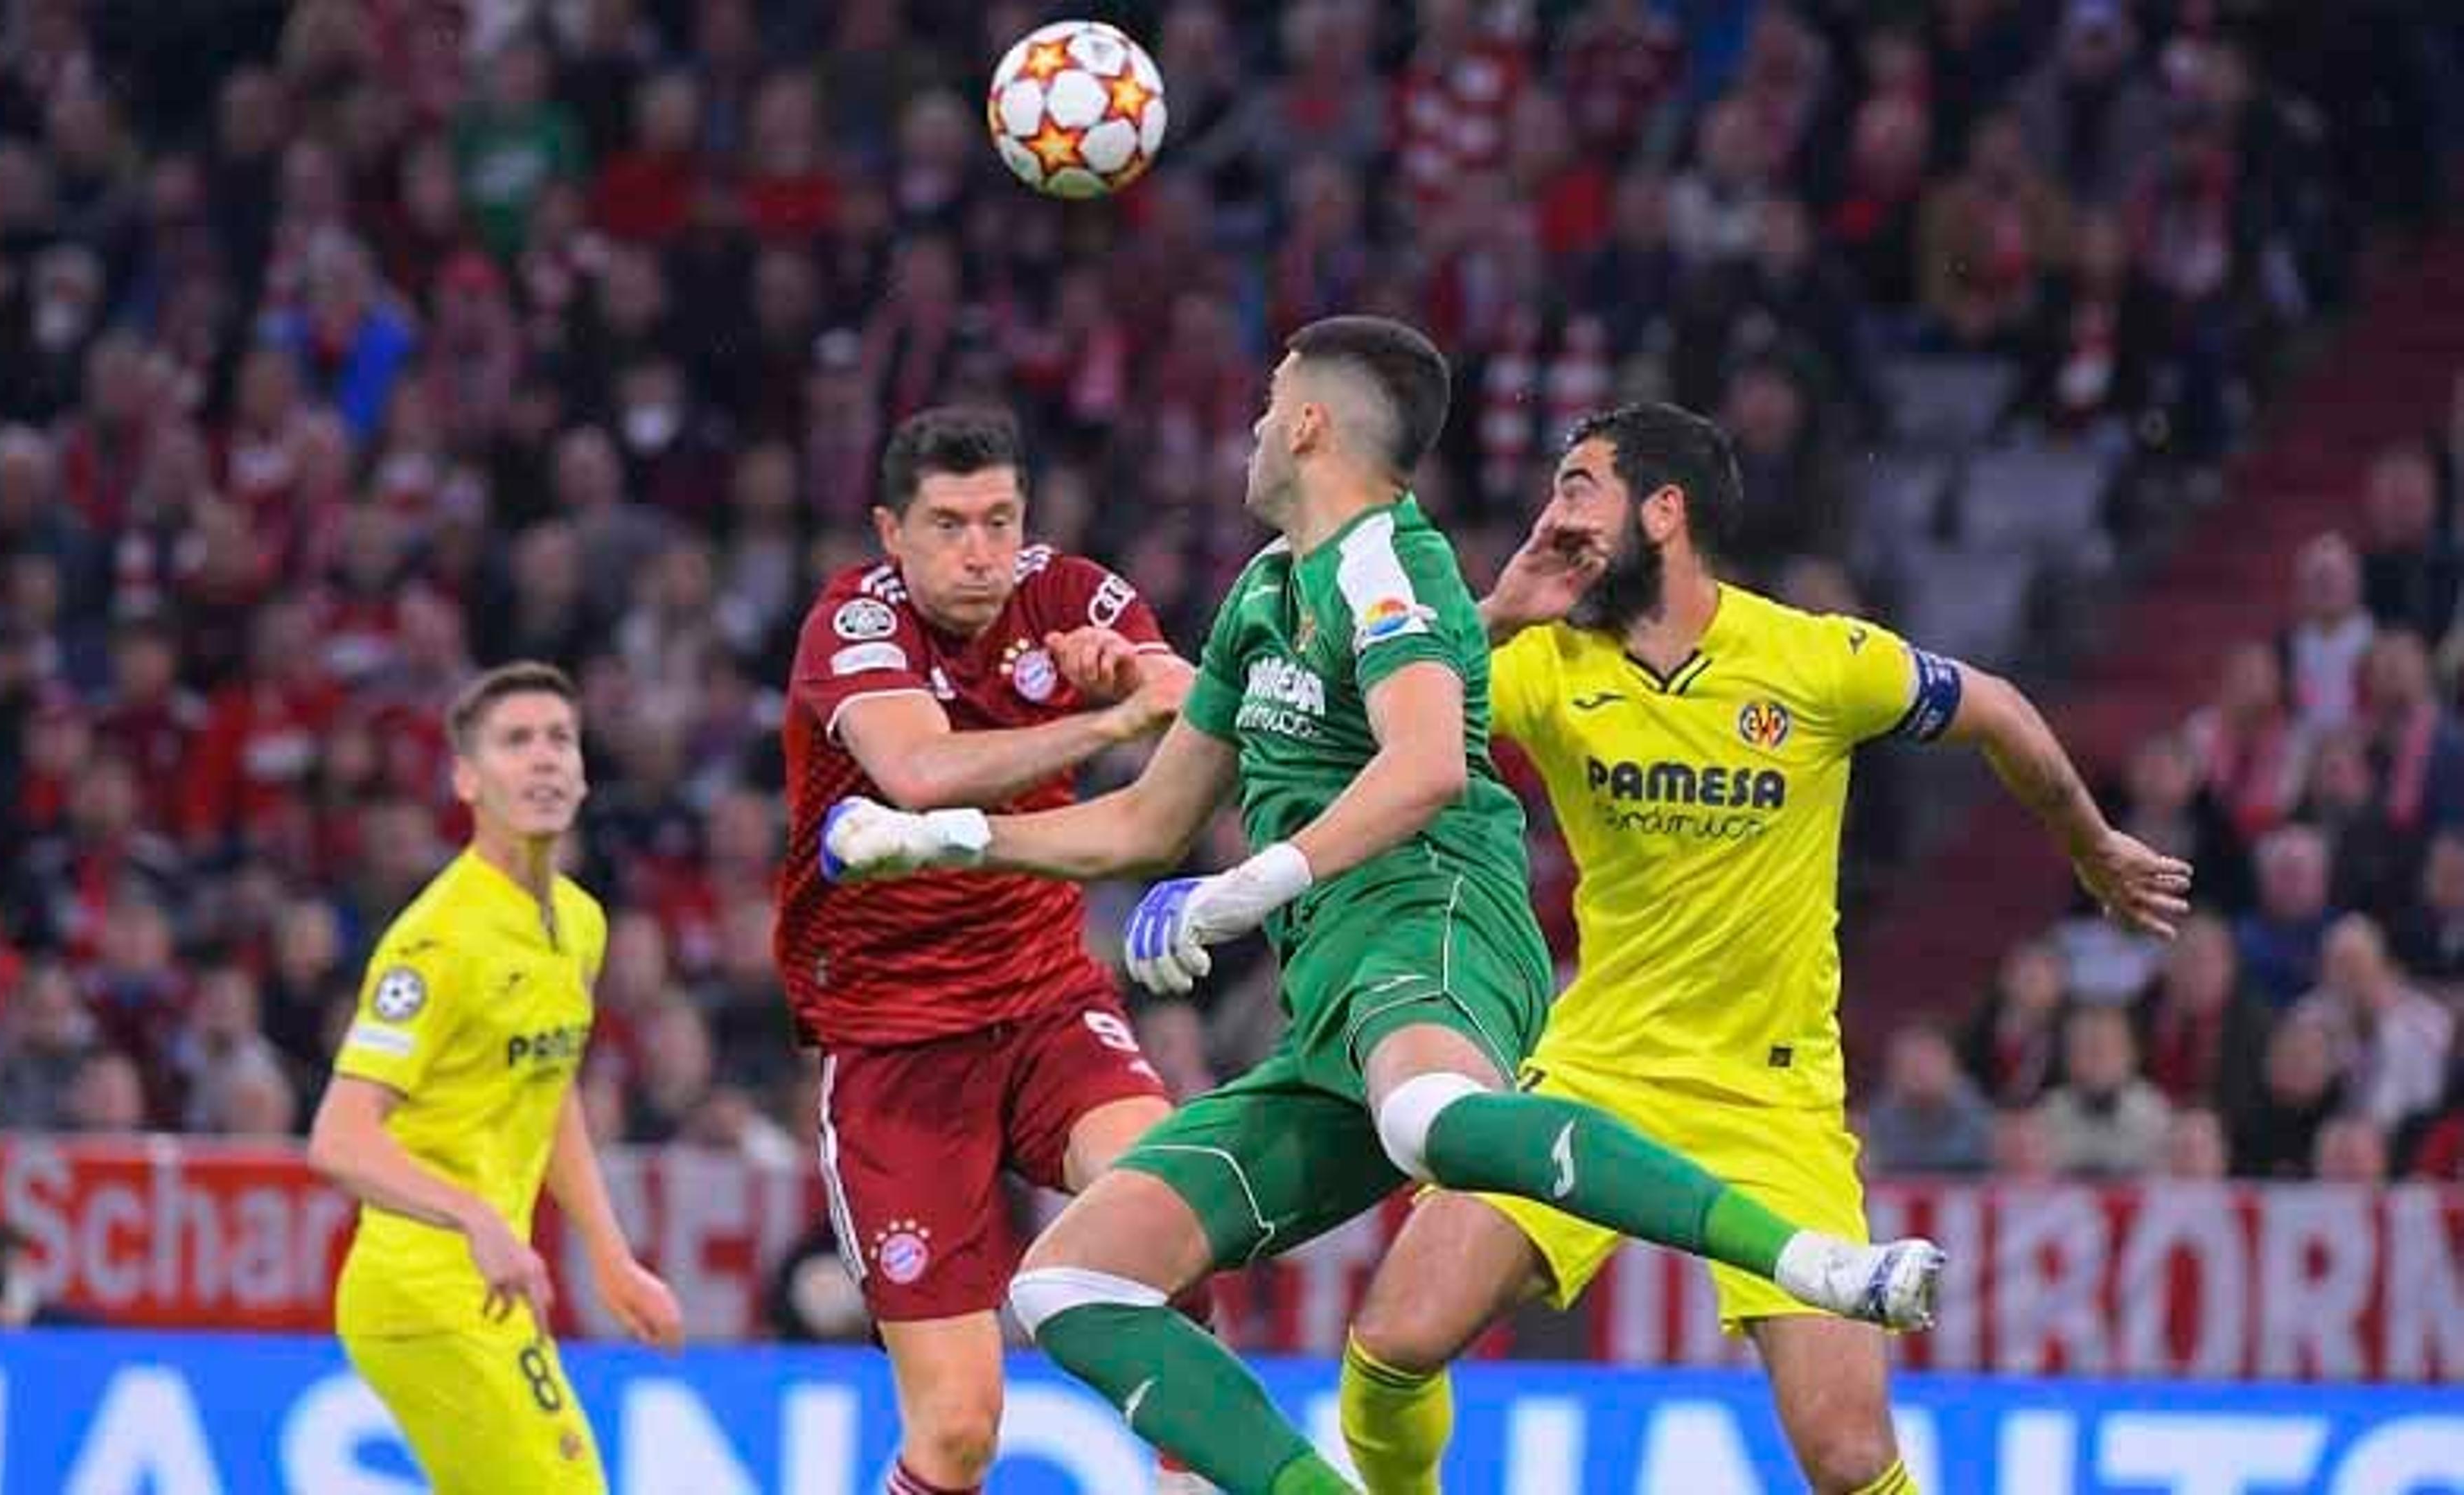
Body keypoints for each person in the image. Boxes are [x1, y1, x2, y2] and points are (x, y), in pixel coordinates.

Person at [823, 320, 1942, 1495]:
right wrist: (945, 838)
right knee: (1069, 1283)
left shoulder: (1389, 566)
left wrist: (1246, 888)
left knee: (1426, 1118)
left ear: (1308, 421)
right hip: (1328, 1012)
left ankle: (1806, 1257)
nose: (1253, 431)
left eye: (1268, 407)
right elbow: (1144, 824)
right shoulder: (1265, 595)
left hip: (1437, 924)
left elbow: (1427, 769)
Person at [1330, 402, 2191, 1495]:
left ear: (1666, 509)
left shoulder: (1811, 659)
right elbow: (1379, 720)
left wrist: (2091, 842)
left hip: (1771, 1104)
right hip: (1598, 1074)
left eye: (1580, 487)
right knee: (1392, 1344)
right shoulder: (1549, 666)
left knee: (1846, 1457)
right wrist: (1498, 607)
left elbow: (1999, 708)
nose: (1556, 515)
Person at [773, 405, 1207, 1495]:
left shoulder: (1069, 594)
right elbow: (919, 774)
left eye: (1001, 519)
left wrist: (1134, 679)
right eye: (950, 524)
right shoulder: (852, 626)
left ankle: (1189, 1475)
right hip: (895, 1046)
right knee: (960, 1430)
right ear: (892, 532)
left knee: (1176, 1204)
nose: (981, 551)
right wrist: (1110, 725)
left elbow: (1192, 697)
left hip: (1047, 1002)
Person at [306, 663, 683, 1494]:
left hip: (487, 1295)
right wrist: (476, 1218)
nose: (544, 758)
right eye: (517, 742)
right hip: (421, 1291)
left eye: (560, 740)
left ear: (583, 774)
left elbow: (550, 1095)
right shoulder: (437, 943)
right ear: (467, 779)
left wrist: (612, 1259)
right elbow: (338, 1139)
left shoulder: (579, 922)